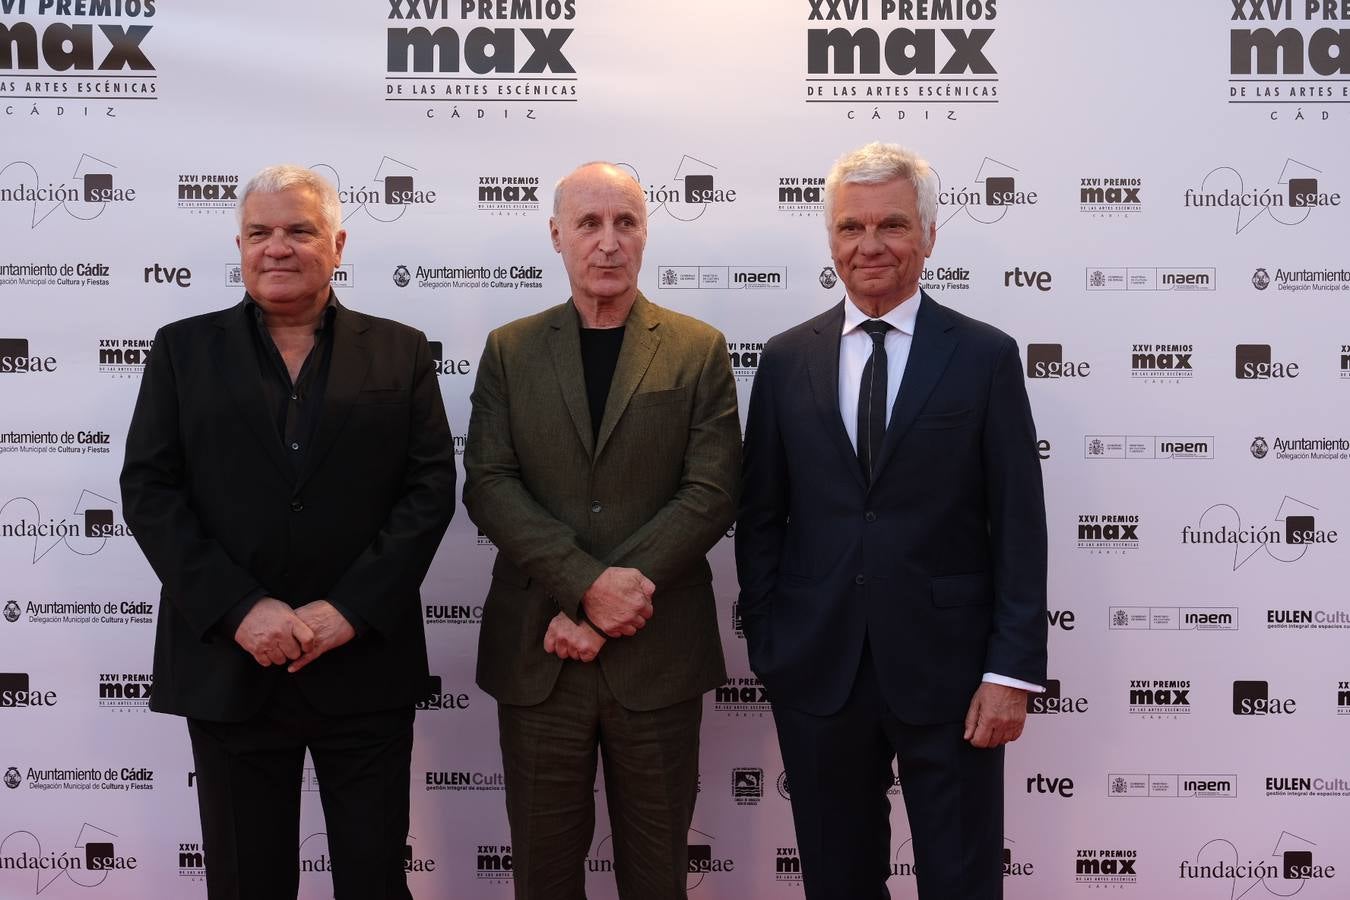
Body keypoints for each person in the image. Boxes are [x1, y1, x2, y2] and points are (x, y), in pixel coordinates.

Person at [120, 164, 455, 900]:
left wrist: (349, 611)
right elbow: (149, 490)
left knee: (374, 881)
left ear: (336, 243)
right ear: (238, 245)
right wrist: (242, 609)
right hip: (229, 666)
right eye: (259, 232)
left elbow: (429, 490)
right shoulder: (182, 349)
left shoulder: (400, 351)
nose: (278, 247)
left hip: (364, 664)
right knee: (247, 884)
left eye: (299, 230)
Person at [735, 142, 1048, 900]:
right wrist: (773, 640)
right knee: (837, 880)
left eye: (892, 225)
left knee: (962, 878)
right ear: (830, 239)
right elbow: (760, 515)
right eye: (850, 227)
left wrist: (1010, 672)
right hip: (819, 667)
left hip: (954, 673)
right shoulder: (784, 360)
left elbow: (1017, 524)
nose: (869, 245)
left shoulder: (984, 356)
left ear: (930, 236)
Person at [463, 161, 740, 900]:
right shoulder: (509, 350)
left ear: (646, 233)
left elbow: (711, 492)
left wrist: (601, 604)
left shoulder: (697, 348)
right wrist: (586, 587)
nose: (608, 242)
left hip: (658, 658)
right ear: (557, 235)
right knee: (544, 879)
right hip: (538, 656)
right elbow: (488, 484)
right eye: (589, 224)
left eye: (626, 223)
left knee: (658, 879)